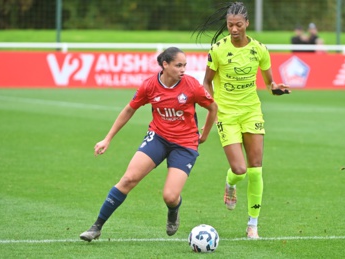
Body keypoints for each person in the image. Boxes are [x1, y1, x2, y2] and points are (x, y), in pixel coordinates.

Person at [79, 47, 218, 242]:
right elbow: (129, 109)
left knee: (170, 196)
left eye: (185, 65)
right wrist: (107, 138)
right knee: (128, 179)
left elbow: (213, 107)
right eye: (178, 65)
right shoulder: (150, 85)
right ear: (165, 65)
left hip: (185, 143)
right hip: (158, 137)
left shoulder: (192, 86)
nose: (183, 69)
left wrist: (205, 134)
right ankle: (97, 227)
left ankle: (173, 210)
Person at [193, 2, 290, 239]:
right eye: (229, 25)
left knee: (256, 170)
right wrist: (211, 104)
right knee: (239, 169)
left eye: (238, 25)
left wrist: (276, 88)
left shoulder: (259, 49)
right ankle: (230, 183)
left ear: (247, 23)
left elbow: (269, 83)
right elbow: (206, 82)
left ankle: (252, 225)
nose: (234, 29)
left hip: (251, 112)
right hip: (226, 114)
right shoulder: (217, 50)